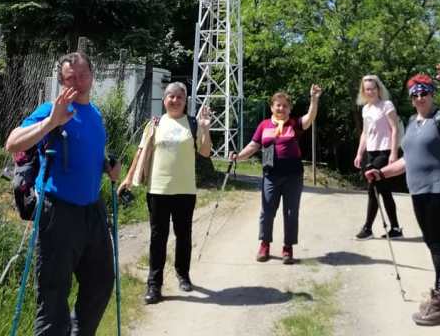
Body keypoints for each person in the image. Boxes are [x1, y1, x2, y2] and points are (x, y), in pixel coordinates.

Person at [5, 51, 120, 336]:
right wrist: (52, 121)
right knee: (53, 294)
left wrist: (107, 166)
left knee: (102, 281)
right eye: (71, 78)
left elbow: (87, 151)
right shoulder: (52, 109)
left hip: (92, 210)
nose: (78, 82)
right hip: (58, 212)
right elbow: (12, 143)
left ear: (92, 76)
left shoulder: (95, 114)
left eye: (83, 76)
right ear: (61, 81)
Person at [365, 62, 440, 327]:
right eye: (414, 94)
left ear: (432, 94)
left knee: (438, 244)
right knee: (431, 243)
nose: (419, 97)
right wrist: (381, 173)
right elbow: (406, 162)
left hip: (438, 189)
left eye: (424, 92)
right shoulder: (413, 123)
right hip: (418, 191)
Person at [118, 81, 211, 304]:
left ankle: (183, 274)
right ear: (164, 99)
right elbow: (141, 153)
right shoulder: (155, 124)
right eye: (171, 96)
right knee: (158, 238)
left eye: (180, 97)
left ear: (185, 100)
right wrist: (129, 178)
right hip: (158, 190)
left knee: (183, 235)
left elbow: (206, 152)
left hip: (185, 191)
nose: (175, 100)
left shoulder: (193, 123)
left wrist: (205, 128)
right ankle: (154, 285)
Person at [230, 85, 322, 265]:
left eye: (285, 106)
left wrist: (314, 99)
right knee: (267, 211)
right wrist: (239, 157)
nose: (281, 108)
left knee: (291, 212)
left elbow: (310, 117)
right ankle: (264, 244)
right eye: (278, 105)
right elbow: (254, 145)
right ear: (272, 107)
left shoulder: (294, 124)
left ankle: (288, 247)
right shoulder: (264, 125)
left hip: (293, 175)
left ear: (289, 108)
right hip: (270, 175)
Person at [353, 74, 403, 239]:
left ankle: (367, 228)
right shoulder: (365, 109)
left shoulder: (386, 105)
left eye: (373, 88)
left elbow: (395, 129)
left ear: (378, 89)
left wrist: (394, 153)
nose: (370, 91)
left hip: (385, 151)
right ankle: (395, 228)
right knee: (384, 190)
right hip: (371, 152)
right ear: (363, 91)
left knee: (372, 187)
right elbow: (365, 134)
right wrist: (360, 153)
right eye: (367, 89)